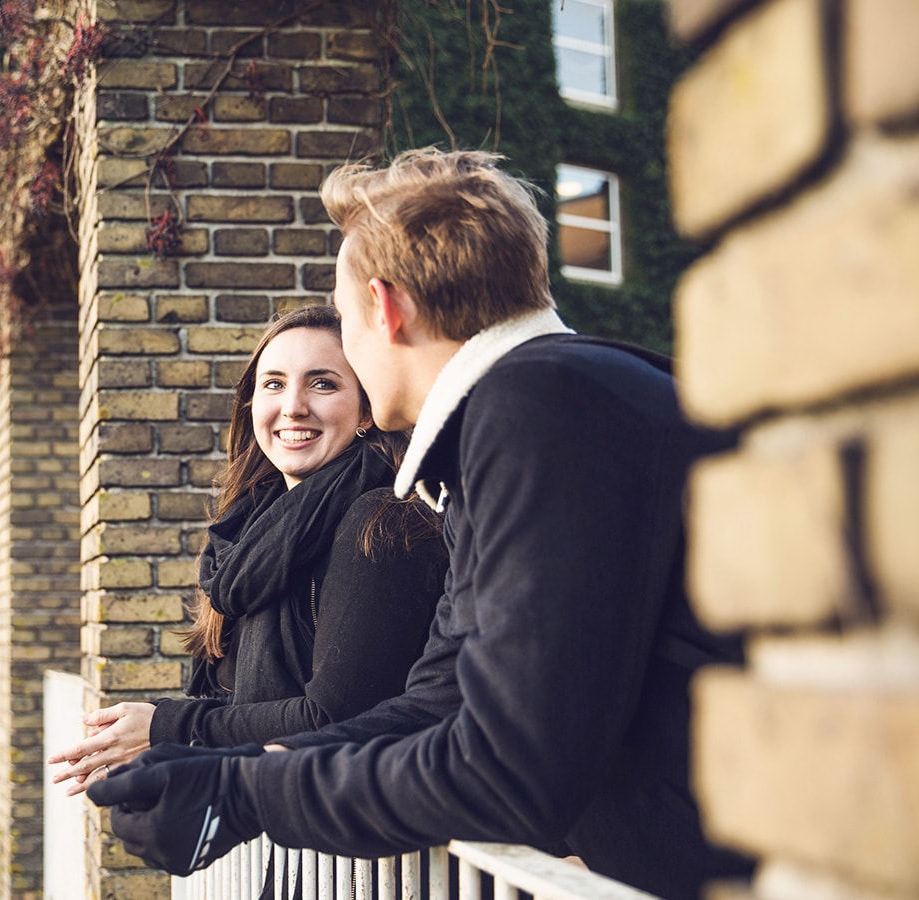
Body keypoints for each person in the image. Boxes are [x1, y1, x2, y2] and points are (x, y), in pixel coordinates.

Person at [87, 148, 755, 899]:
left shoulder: (540, 407)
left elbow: (508, 772)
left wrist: (248, 796)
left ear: (386, 308)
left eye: (344, 319)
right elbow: (433, 704)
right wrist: (231, 772)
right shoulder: (534, 406)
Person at [48, 305, 445, 797]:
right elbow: (239, 704)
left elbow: (337, 719)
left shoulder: (384, 521)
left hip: (360, 833)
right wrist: (150, 739)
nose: (293, 406)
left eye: (323, 384)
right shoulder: (250, 534)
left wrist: (166, 729)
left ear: (366, 409)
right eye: (273, 384)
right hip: (281, 819)